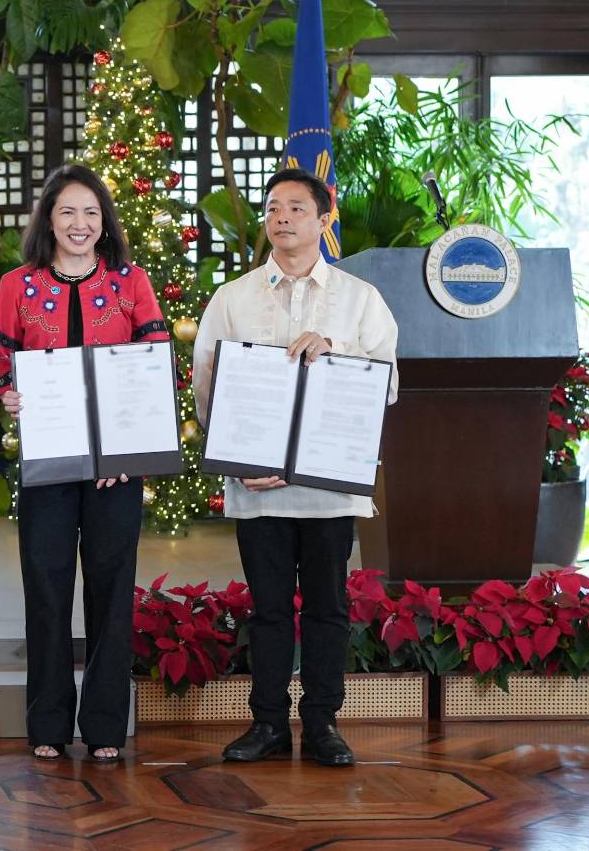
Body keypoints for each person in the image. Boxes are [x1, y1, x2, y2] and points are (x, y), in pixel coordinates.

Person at [192, 166, 399, 768]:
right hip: (258, 487)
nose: (282, 218)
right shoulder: (232, 298)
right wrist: (236, 455)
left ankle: (324, 723)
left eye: (296, 209)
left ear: (323, 219)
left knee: (329, 607)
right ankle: (267, 724)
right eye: (273, 208)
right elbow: (208, 385)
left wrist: (336, 354)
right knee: (269, 607)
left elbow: (386, 385)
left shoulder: (360, 300)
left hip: (329, 491)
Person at [0, 164, 170, 764]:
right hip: (47, 462)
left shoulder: (130, 281)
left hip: (116, 468)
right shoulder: (18, 284)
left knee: (112, 592)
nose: (79, 223)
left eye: (90, 212)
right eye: (67, 211)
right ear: (49, 219)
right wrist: (6, 396)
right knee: (44, 587)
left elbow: (153, 367)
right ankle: (47, 724)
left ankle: (106, 728)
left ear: (104, 221)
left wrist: (124, 448)